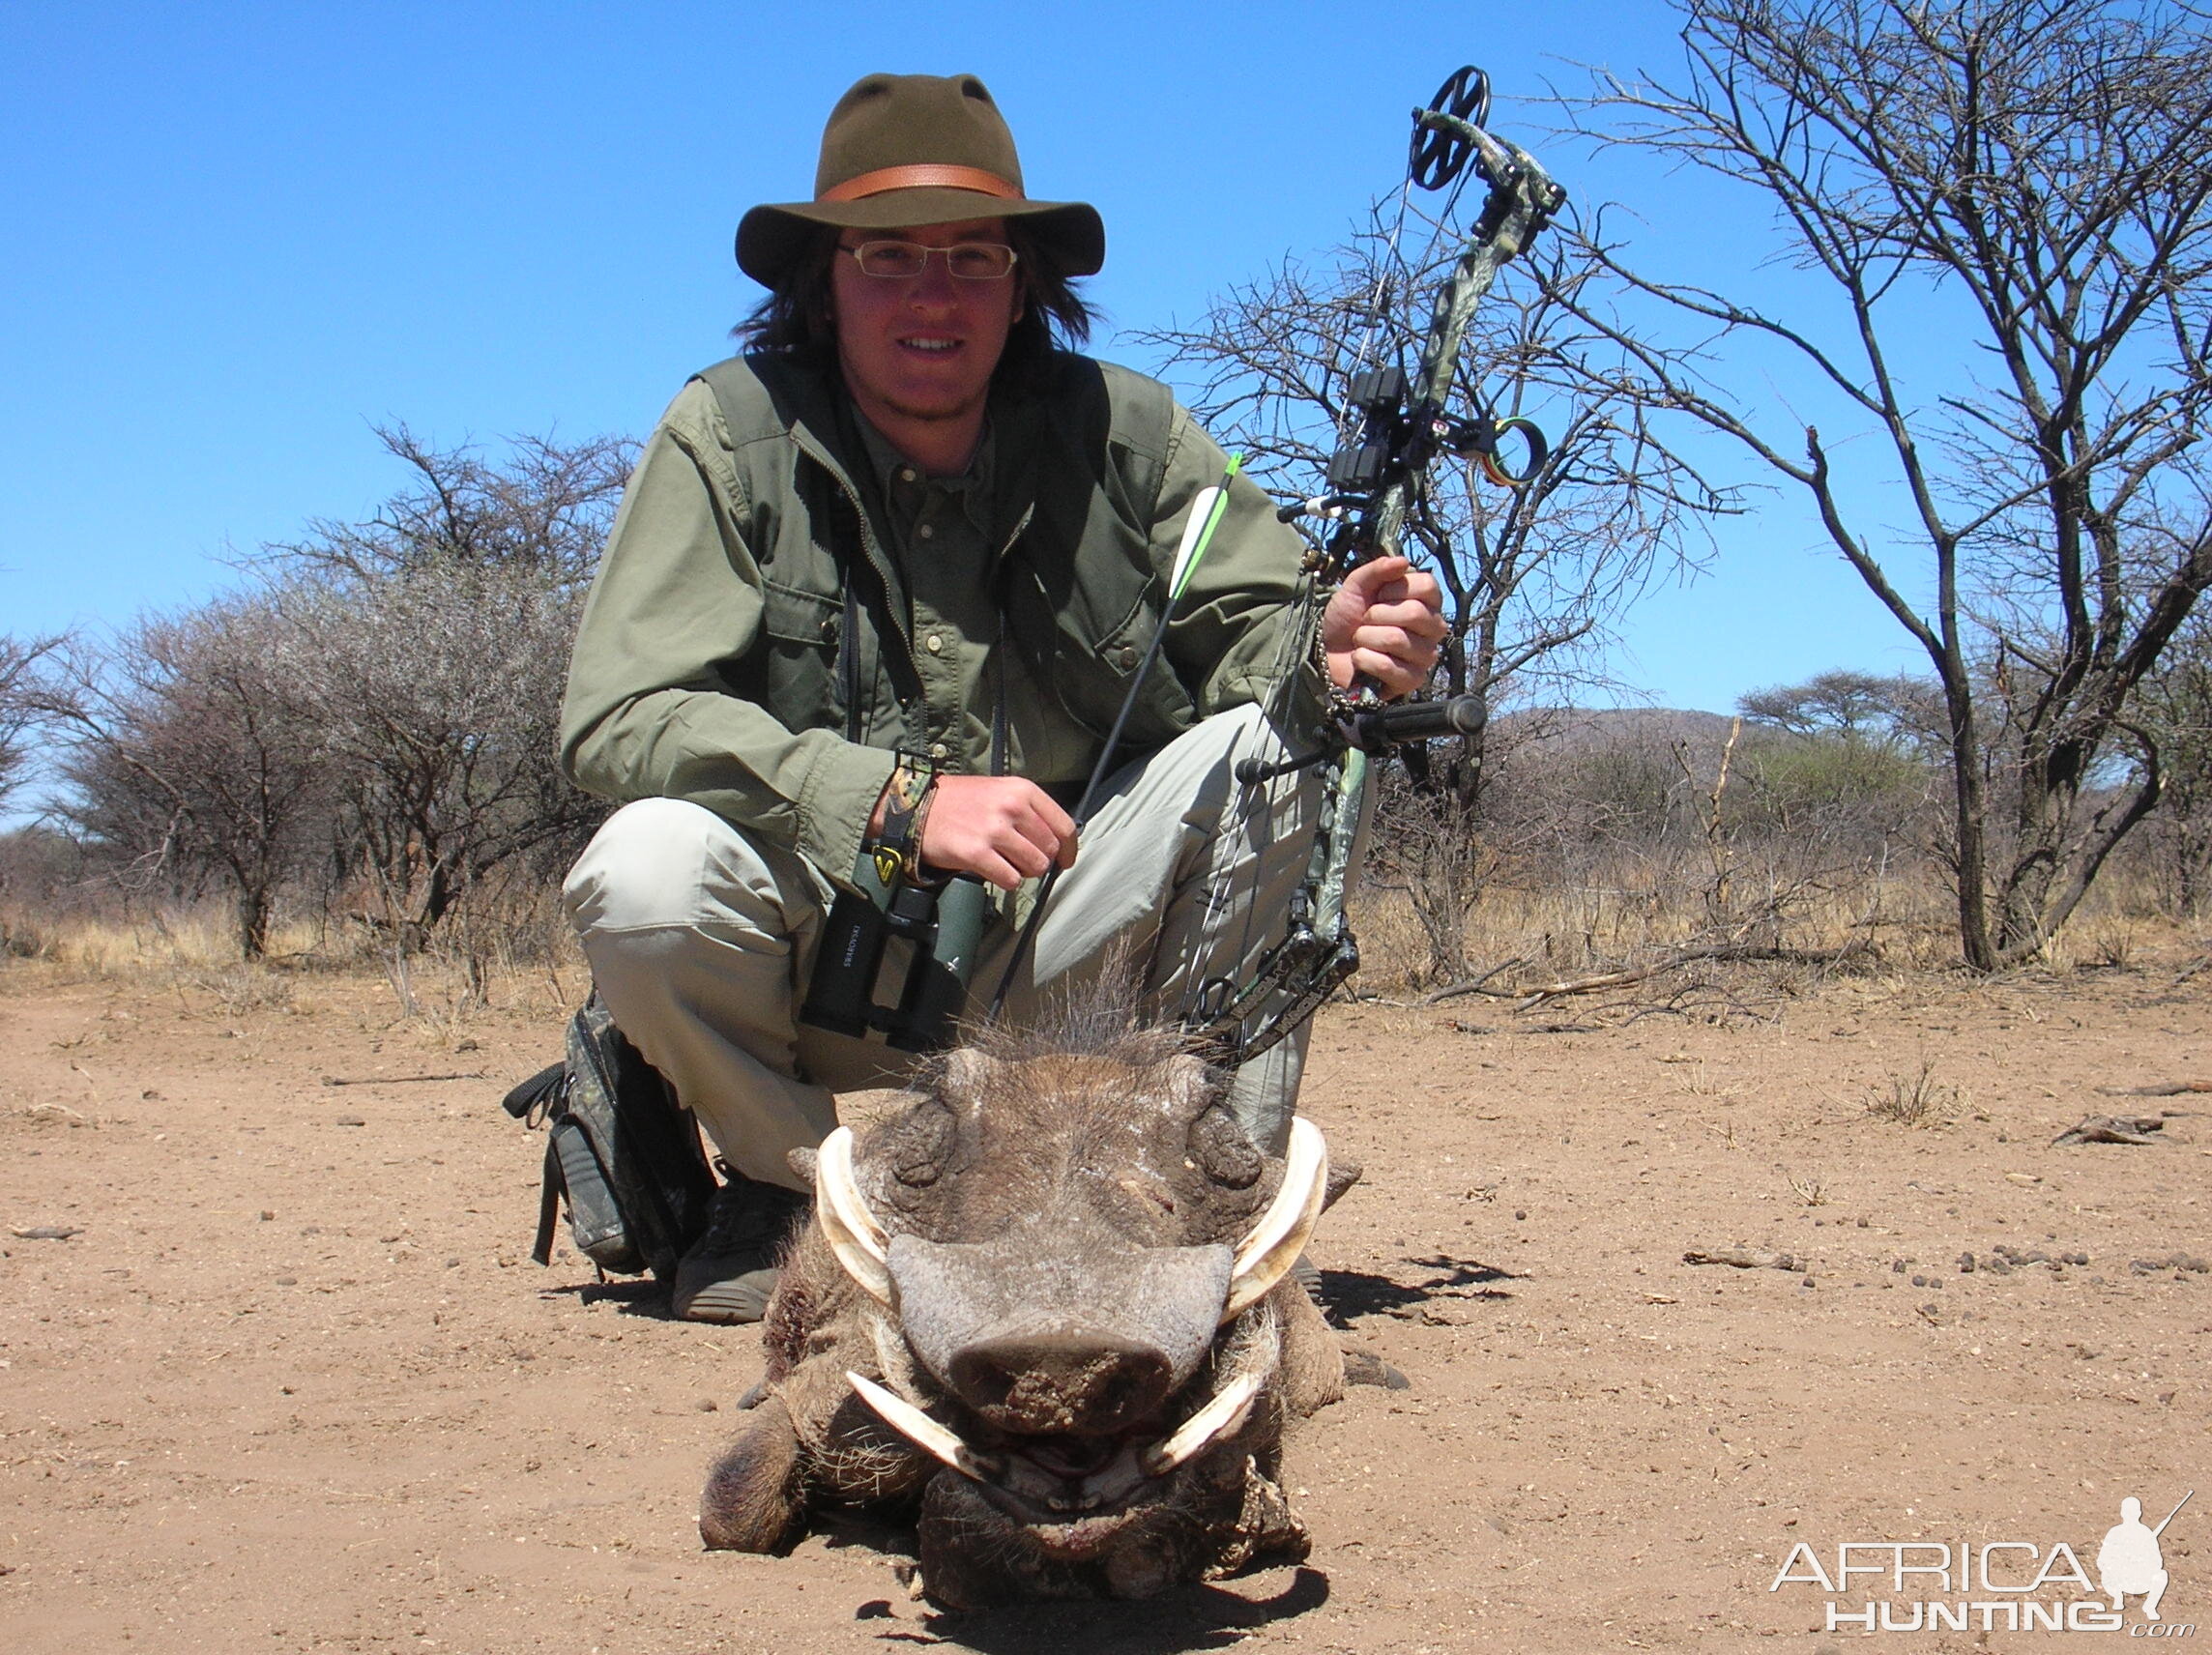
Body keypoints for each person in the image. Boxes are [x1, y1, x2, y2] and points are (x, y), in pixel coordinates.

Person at [559, 73, 1443, 1321]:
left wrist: (1333, 646)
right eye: (889, 256)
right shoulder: (728, 433)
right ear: (823, 283)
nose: (934, 294)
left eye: (974, 255)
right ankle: (797, 1196)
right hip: (817, 953)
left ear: (1024, 282)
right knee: (642, 873)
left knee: (1277, 752)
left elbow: (1261, 631)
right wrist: (891, 803)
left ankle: (1174, 1188)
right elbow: (616, 715)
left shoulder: (1125, 433)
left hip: (1066, 939)